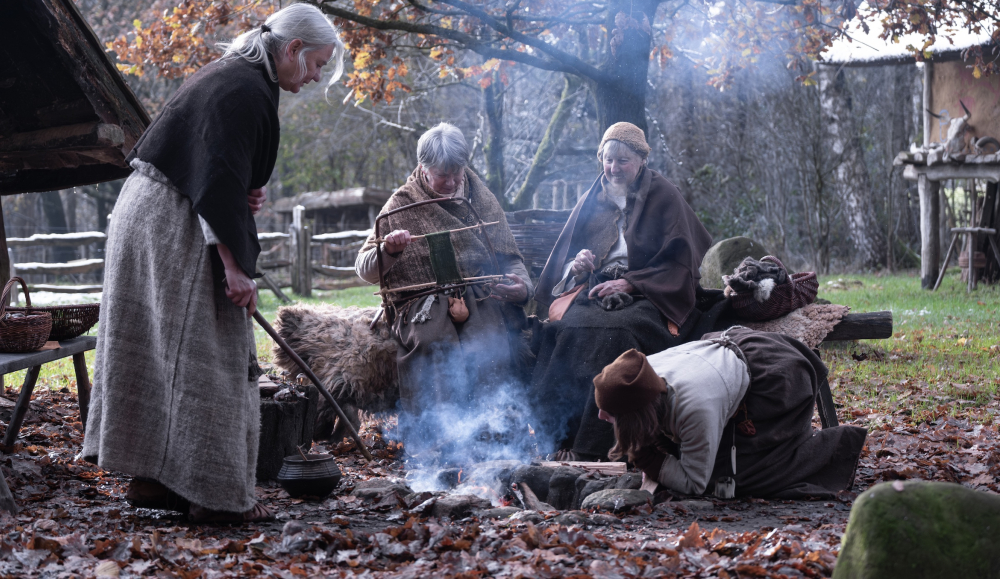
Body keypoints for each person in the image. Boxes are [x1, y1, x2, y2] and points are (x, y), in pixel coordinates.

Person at [81, 3, 346, 523]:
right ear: (291, 49)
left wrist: (246, 192)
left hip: (150, 212)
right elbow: (216, 184)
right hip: (171, 221)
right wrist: (235, 268)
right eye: (315, 64)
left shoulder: (236, 78)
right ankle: (213, 494)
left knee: (166, 352)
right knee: (215, 353)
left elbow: (220, 169)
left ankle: (153, 479)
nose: (315, 77)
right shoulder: (244, 89)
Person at [530, 122, 713, 461]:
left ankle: (605, 445)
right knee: (568, 329)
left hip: (651, 295)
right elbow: (569, 257)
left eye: (623, 160)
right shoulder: (592, 197)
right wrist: (579, 265)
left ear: (642, 160)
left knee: (619, 332)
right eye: (608, 160)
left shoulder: (663, 195)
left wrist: (632, 282)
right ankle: (558, 438)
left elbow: (681, 260)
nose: (614, 168)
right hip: (597, 289)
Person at [355, 123, 532, 462]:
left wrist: (521, 285)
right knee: (435, 341)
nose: (451, 183)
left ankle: (495, 441)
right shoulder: (401, 204)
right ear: (423, 168)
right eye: (442, 176)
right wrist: (389, 252)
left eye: (457, 174)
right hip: (420, 302)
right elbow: (364, 268)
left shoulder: (480, 197)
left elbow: (510, 258)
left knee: (487, 341)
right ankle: (438, 447)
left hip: (478, 294)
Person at [593, 328, 867, 498]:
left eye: (609, 412)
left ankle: (838, 445)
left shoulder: (694, 408)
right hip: (727, 353)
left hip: (774, 375)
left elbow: (694, 483)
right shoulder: (642, 375)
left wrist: (647, 458)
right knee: (693, 455)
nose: (601, 418)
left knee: (733, 479)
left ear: (637, 412)